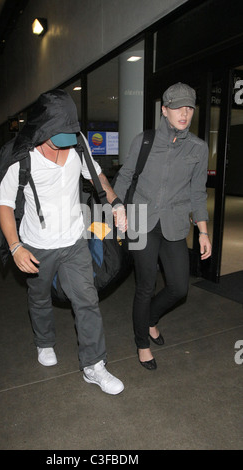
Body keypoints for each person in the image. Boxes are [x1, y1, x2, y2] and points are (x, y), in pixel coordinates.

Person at [0, 89, 127, 395]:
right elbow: (3, 204)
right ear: (43, 127)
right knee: (40, 297)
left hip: (73, 241)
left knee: (87, 300)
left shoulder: (77, 145)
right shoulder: (22, 157)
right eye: (61, 135)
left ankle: (94, 366)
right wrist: (16, 247)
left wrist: (116, 202)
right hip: (36, 244)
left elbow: (98, 178)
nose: (69, 142)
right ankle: (44, 341)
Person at [113, 82, 212, 370]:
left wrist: (203, 232)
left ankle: (152, 319)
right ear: (164, 110)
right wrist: (118, 206)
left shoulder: (198, 148)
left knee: (179, 288)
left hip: (175, 224)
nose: (184, 113)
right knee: (145, 285)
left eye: (189, 107)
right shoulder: (144, 141)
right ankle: (142, 342)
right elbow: (125, 176)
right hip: (142, 221)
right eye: (178, 107)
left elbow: (197, 193)